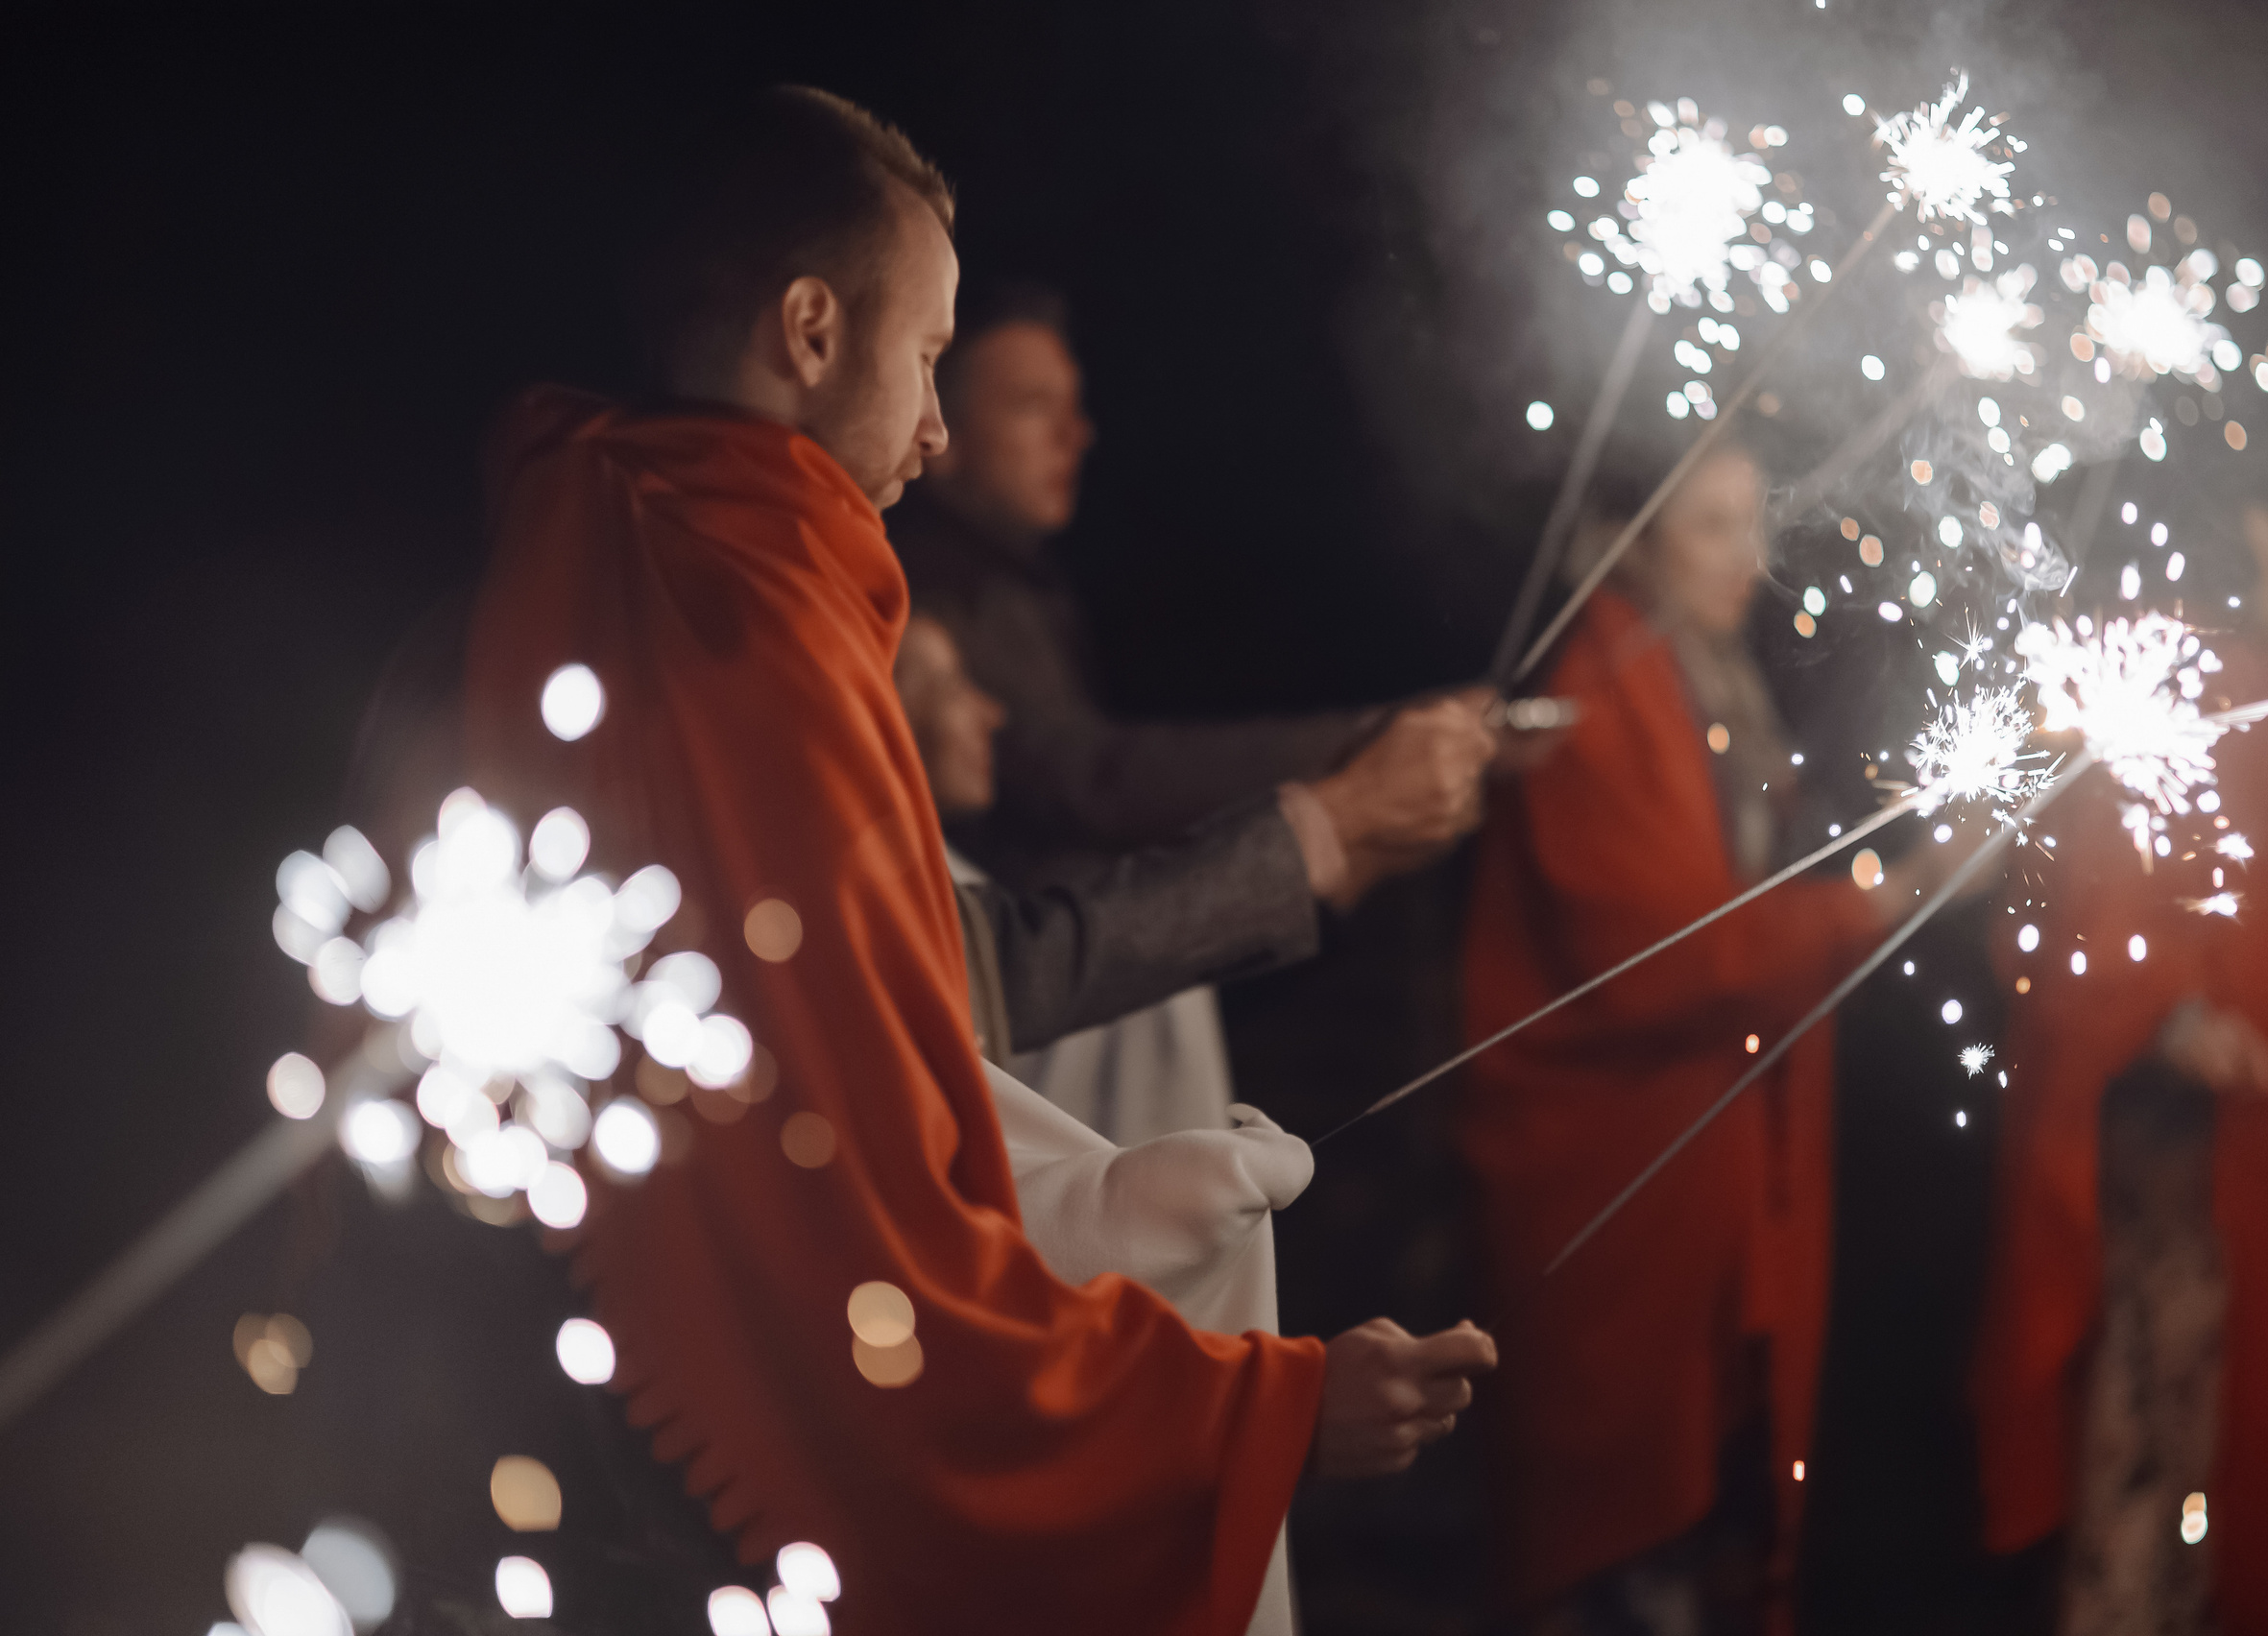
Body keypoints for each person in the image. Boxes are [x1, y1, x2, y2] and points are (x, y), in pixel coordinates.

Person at [456, 86, 1495, 1633]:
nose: (935, 434)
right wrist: (1260, 1412)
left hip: (516, 1432)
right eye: (931, 359)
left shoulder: (572, 556)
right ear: (812, 330)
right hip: (694, 1541)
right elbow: (861, 1261)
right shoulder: (763, 647)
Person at [1454, 445, 1981, 1632]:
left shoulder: (1704, 670)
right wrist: (1890, 894)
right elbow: (1674, 958)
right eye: (1709, 529)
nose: (1749, 560)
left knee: (1710, 1525)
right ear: (1635, 539)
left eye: (1754, 522)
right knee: (1621, 1538)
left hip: (1714, 1162)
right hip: (1617, 1168)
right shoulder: (1599, 679)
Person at [1970, 454, 2268, 1635]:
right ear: (2264, 524)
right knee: (2163, 1484)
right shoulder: (2166, 686)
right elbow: (2073, 914)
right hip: (2185, 1181)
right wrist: (2170, 1014)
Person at [890, 283, 1499, 1142]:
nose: (1077, 433)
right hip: (1027, 1042)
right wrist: (1356, 761)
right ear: (939, 429)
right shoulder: (929, 595)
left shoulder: (1014, 583)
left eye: (1075, 405)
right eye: (1033, 406)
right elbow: (1092, 777)